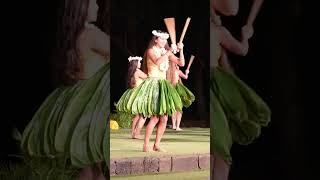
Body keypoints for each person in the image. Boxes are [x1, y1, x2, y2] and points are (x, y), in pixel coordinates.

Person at [21, 0, 110, 179]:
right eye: (93, 3)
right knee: (92, 167)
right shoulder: (91, 34)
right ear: (81, 8)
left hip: (76, 102)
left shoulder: (74, 35)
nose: (97, 6)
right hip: (90, 106)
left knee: (92, 168)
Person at [210, 0, 271, 179]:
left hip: (218, 88)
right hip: (213, 88)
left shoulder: (217, 32)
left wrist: (245, 36)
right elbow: (243, 49)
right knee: (218, 144)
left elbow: (241, 51)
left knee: (220, 145)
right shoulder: (216, 31)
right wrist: (246, 36)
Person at [116, 30, 185, 152]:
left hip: (163, 85)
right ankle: (146, 145)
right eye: (162, 39)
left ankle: (156, 144)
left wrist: (181, 49)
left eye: (165, 40)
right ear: (156, 40)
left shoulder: (165, 52)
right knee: (154, 118)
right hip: (153, 84)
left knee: (164, 118)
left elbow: (181, 63)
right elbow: (158, 62)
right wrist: (169, 51)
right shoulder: (150, 51)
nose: (164, 42)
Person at [116, 56, 148, 139]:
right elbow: (147, 77)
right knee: (144, 115)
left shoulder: (132, 72)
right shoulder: (137, 71)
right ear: (136, 63)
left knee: (137, 115)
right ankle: (137, 134)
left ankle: (133, 133)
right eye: (139, 62)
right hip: (139, 95)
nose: (140, 64)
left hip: (134, 93)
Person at [169, 62, 195, 131]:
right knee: (179, 109)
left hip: (170, 90)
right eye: (177, 64)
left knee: (174, 108)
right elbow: (185, 77)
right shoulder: (177, 71)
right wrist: (187, 72)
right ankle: (177, 126)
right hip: (177, 90)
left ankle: (174, 125)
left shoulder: (168, 71)